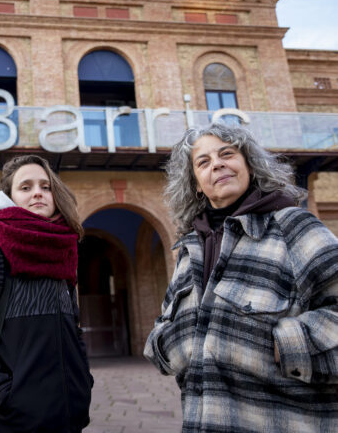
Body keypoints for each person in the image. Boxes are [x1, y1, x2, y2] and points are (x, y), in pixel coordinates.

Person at [144, 123, 338, 432]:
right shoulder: (190, 247)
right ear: (196, 183)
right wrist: (171, 347)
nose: (217, 163)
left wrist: (292, 343)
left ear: (248, 165)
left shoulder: (294, 226)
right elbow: (163, 327)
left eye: (227, 154)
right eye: (203, 162)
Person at [0, 155, 93, 433]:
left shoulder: (63, 252)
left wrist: (83, 382)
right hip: (16, 422)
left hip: (70, 415)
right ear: (8, 198)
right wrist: (6, 395)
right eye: (26, 187)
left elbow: (73, 329)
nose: (38, 192)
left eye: (46, 186)